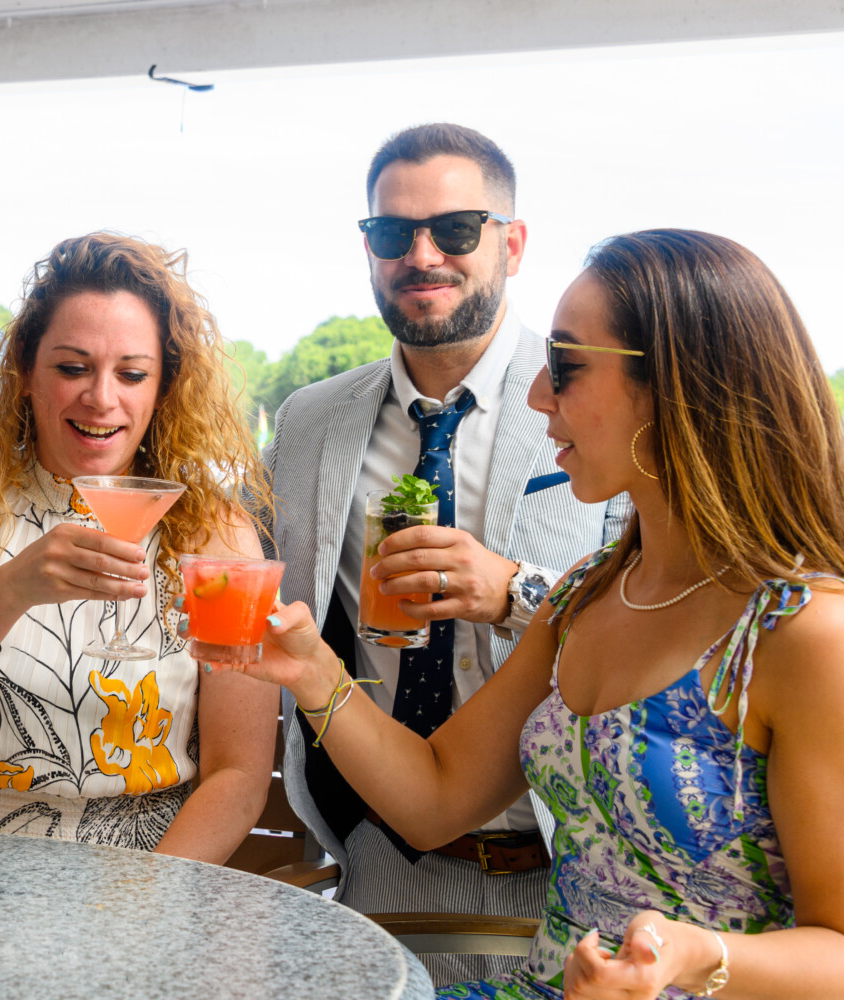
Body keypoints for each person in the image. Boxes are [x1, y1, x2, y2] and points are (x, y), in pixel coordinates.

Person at [242, 229, 844, 999]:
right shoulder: (589, 593)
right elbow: (435, 799)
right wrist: (312, 671)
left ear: (678, 385)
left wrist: (691, 958)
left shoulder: (808, 630)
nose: (538, 394)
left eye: (567, 365)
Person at [262, 123, 628, 981]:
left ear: (514, 242)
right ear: (368, 248)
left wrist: (514, 591)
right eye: (393, 232)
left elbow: (654, 605)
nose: (421, 255)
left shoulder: (594, 397)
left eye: (456, 229)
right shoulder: (308, 422)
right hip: (374, 861)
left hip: (566, 879)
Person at [0, 233, 276, 861]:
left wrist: (148, 902)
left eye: (132, 374)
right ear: (26, 372)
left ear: (163, 387)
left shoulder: (215, 533)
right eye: (73, 368)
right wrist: (12, 588)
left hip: (151, 880)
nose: (101, 398)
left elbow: (238, 775)